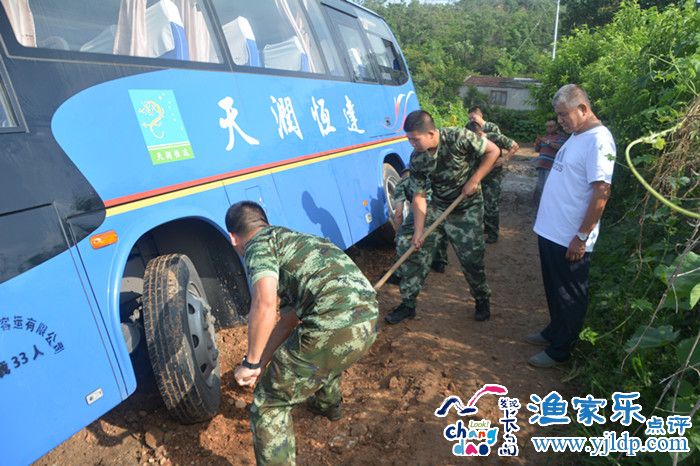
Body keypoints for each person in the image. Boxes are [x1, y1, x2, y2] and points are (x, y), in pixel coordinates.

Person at [227, 201, 378, 464]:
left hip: (333, 323)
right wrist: (262, 362)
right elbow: (288, 321)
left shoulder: (257, 246)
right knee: (318, 351)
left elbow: (264, 303)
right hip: (369, 319)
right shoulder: (294, 240)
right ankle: (328, 404)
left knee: (269, 402)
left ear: (233, 238)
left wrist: (250, 363)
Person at [527, 84, 615, 368]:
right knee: (554, 288)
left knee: (569, 294)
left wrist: (582, 236)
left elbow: (601, 192)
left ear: (583, 108)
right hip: (552, 231)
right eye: (558, 115)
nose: (560, 120)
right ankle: (554, 331)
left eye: (564, 114)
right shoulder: (577, 136)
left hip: (570, 237)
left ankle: (561, 350)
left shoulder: (599, 140)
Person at [385, 110, 500, 324]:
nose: (412, 144)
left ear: (431, 133)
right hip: (437, 206)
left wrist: (475, 180)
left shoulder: (459, 137)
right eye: (409, 139)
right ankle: (408, 304)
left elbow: (493, 151)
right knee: (412, 248)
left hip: (467, 208)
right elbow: (419, 196)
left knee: (471, 259)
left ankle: (481, 298)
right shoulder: (417, 158)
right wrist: (419, 231)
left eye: (415, 139)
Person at [468, 120, 520, 243]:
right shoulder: (469, 140)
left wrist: (504, 158)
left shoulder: (494, 137)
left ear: (480, 133)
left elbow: (515, 146)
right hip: (477, 177)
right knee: (477, 205)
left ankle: (493, 233)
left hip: (492, 178)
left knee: (491, 205)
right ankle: (483, 228)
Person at [533, 120, 567, 205]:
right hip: (541, 165)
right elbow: (537, 150)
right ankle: (541, 206)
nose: (548, 128)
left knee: (548, 188)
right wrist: (537, 143)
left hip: (551, 167)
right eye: (547, 127)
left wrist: (547, 141)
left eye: (551, 126)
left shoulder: (561, 137)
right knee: (541, 187)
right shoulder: (545, 137)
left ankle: (548, 205)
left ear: (556, 127)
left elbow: (559, 147)